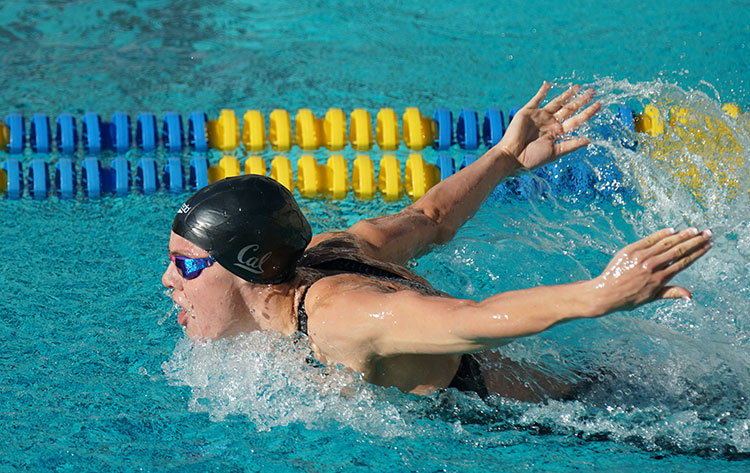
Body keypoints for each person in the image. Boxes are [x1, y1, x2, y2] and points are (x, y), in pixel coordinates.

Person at [162, 83, 712, 401]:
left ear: (251, 265)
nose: (168, 281)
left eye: (185, 267)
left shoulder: (343, 317)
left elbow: (469, 318)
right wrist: (503, 160)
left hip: (591, 418)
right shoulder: (329, 250)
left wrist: (598, 294)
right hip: (587, 381)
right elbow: (430, 216)